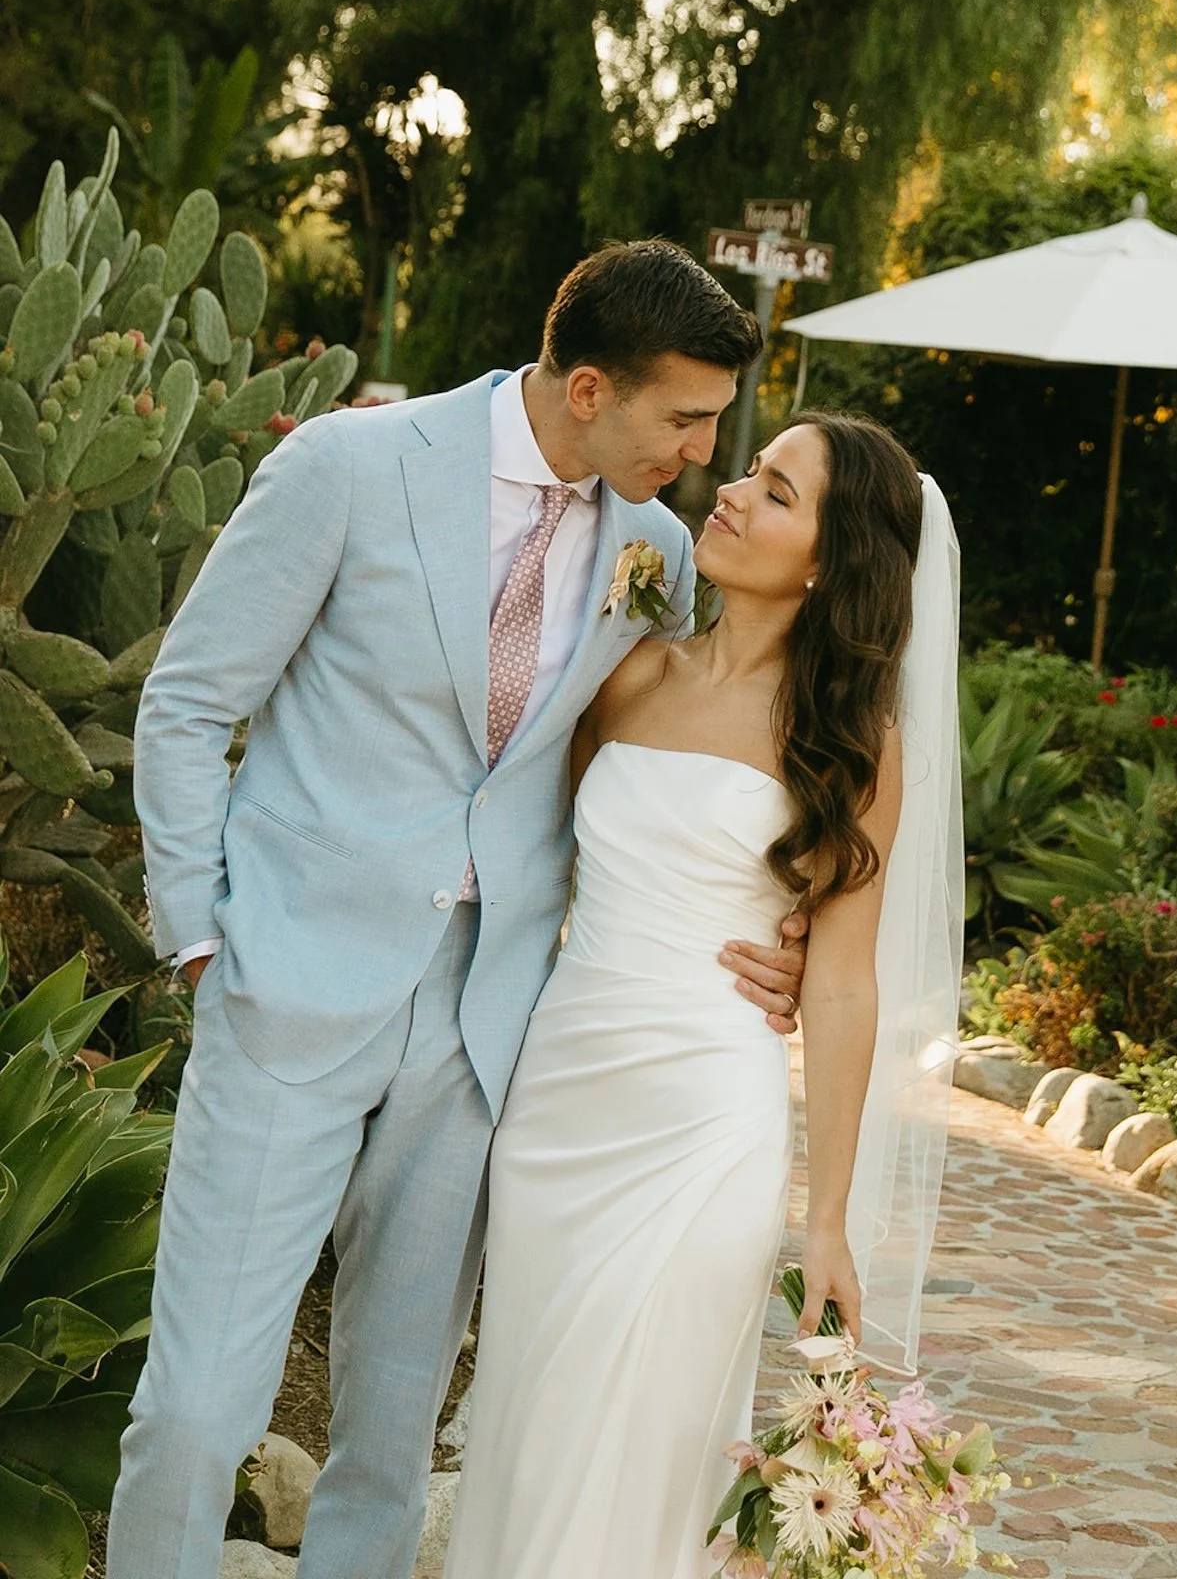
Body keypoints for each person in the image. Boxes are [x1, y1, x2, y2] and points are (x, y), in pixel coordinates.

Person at [106, 240, 810, 1579]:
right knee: (197, 1413)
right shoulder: (346, 467)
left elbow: (697, 758)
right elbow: (192, 700)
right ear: (591, 386)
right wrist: (200, 938)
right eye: (687, 421)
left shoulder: (653, 551)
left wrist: (793, 928)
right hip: (284, 994)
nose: (707, 456)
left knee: (389, 1439)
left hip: (482, 1032)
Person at [442, 412, 964, 1579]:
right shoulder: (627, 675)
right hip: (558, 1106)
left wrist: (823, 1220)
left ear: (829, 561)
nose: (730, 490)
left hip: (701, 1129)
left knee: (645, 1449)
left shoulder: (850, 746)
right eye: (748, 470)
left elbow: (838, 987)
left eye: (774, 491)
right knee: (527, 1431)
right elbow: (542, 860)